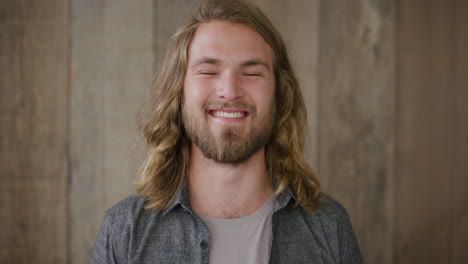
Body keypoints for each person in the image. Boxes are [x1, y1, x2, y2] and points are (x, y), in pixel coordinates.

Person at [91, 0, 363, 263]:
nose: (230, 92)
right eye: (208, 71)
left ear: (279, 95)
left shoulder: (330, 228)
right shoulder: (124, 233)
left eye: (252, 73)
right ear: (179, 91)